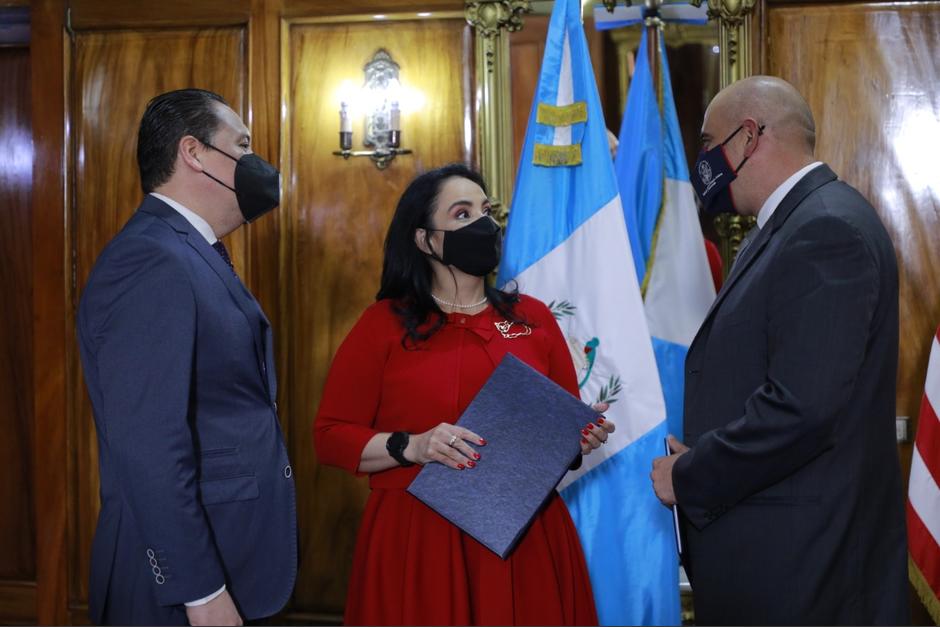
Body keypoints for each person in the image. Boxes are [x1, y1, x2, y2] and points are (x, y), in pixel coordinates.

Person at [649, 75, 909, 624]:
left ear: (747, 138)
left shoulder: (825, 230)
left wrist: (692, 474)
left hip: (805, 573)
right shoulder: (795, 224)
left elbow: (802, 409)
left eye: (706, 144)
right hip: (788, 563)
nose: (703, 162)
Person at [313, 164, 611, 625]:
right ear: (424, 239)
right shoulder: (382, 324)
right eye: (462, 213)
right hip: (417, 538)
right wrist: (411, 445)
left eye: (486, 210)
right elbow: (330, 436)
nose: (483, 223)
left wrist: (577, 434)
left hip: (524, 534)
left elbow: (561, 436)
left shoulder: (532, 319)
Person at [77, 88, 296, 626]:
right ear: (193, 152)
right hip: (178, 588)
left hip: (229, 553)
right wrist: (200, 591)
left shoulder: (187, 250)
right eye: (242, 146)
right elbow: (150, 442)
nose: (255, 163)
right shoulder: (152, 257)